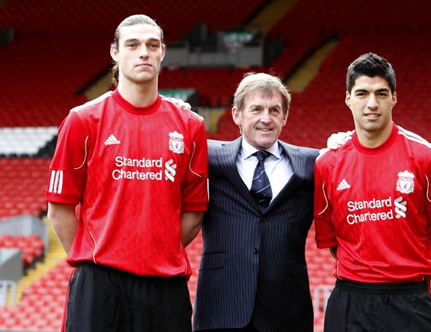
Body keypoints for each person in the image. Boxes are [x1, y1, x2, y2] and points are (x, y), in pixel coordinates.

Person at [45, 14, 208, 332]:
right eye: (132, 45)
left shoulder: (191, 126)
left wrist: (155, 249)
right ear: (115, 53)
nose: (143, 52)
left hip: (165, 285)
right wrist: (97, 258)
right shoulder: (83, 120)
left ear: (163, 53)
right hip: (100, 284)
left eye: (152, 45)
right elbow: (60, 209)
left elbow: (193, 211)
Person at [314, 52, 431, 332]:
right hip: (350, 300)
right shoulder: (327, 164)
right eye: (362, 94)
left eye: (381, 93)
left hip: (410, 302)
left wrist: (408, 274)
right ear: (348, 98)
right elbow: (333, 240)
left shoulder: (427, 157)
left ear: (394, 97)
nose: (372, 104)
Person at [193, 73, 317, 332]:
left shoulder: (311, 163)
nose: (266, 118)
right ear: (237, 115)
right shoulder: (208, 156)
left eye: (274, 110)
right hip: (221, 307)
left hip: (286, 310)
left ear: (284, 116)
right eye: (256, 109)